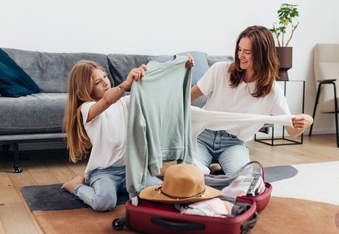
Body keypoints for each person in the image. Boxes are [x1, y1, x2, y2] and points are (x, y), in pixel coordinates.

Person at [61, 57, 194, 211]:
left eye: (105, 76)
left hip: (133, 168)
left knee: (161, 192)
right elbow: (106, 101)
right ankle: (76, 186)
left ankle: (128, 188)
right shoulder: (86, 109)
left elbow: (154, 94)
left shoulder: (125, 103)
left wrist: (178, 68)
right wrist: (125, 85)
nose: (105, 82)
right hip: (104, 172)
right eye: (97, 82)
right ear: (84, 89)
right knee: (104, 202)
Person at [191, 25, 313, 177]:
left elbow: (292, 131)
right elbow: (187, 97)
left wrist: (307, 120)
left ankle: (216, 174)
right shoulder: (220, 70)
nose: (240, 55)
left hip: (234, 144)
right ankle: (215, 174)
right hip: (203, 137)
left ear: (262, 55)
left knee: (245, 181)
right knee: (189, 175)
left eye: (247, 52)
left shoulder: (272, 90)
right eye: (239, 49)